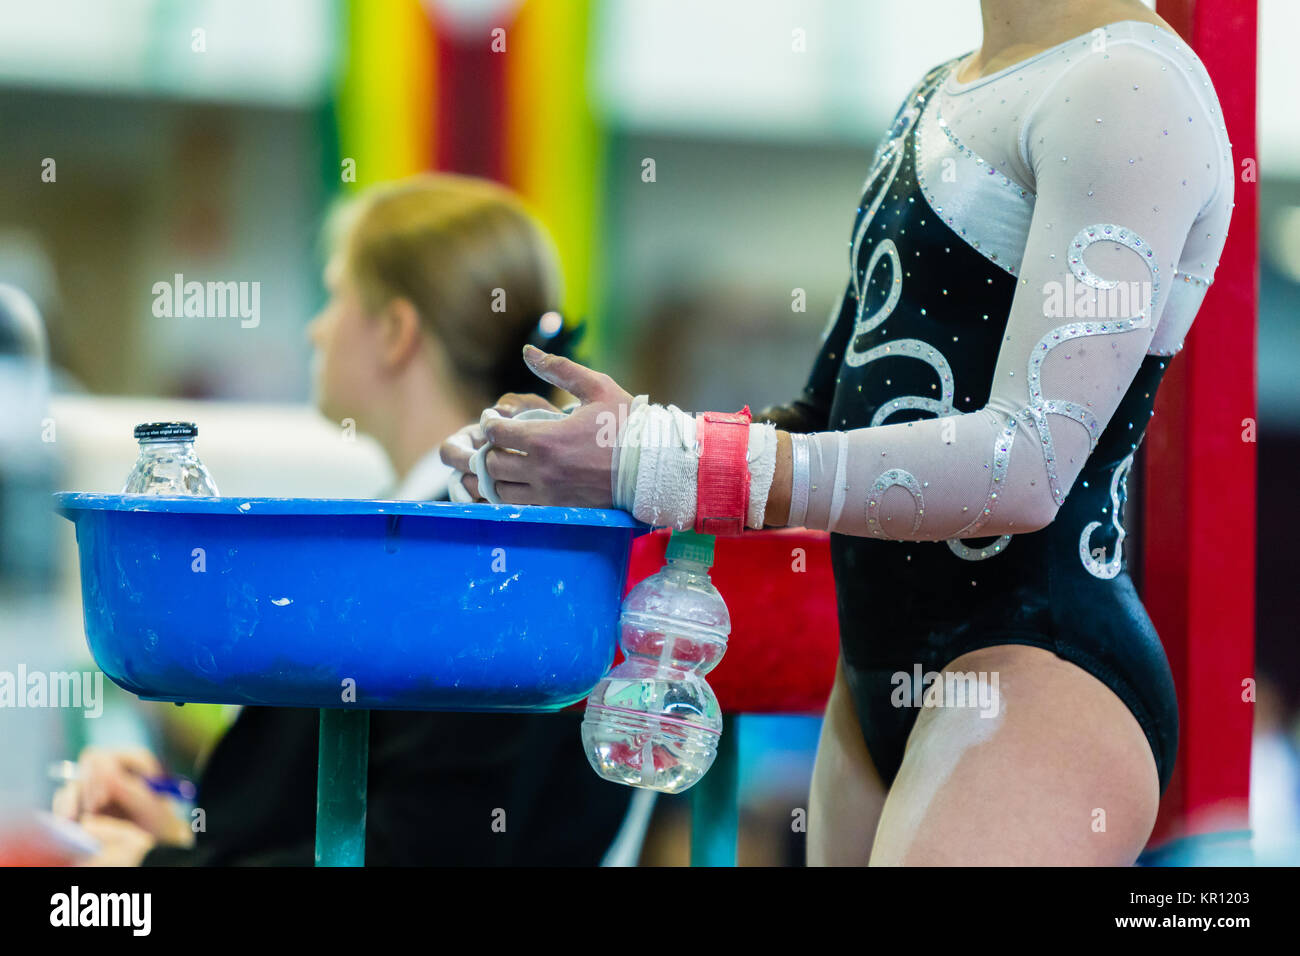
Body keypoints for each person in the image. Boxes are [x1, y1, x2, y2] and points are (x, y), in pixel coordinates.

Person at [442, 0, 1235, 865]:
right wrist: (591, 450)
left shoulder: (1129, 87)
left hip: (1040, 663)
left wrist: (658, 460)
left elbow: (1027, 466)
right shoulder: (938, 92)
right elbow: (822, 417)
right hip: (869, 684)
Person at [54, 174, 641, 865]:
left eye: (334, 296)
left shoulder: (455, 566)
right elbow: (371, 809)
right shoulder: (506, 547)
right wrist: (186, 827)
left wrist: (147, 869)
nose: (315, 327)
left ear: (395, 332)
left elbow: (413, 855)